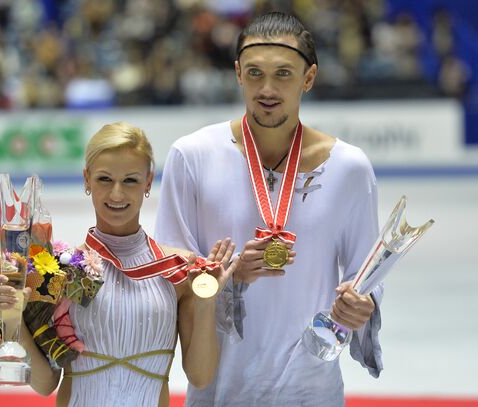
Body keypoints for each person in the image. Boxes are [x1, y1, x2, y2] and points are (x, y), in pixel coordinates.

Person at [155, 11, 383, 406]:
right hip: (219, 389)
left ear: (308, 79)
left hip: (311, 389)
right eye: (256, 73)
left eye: (283, 74)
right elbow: (168, 277)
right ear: (238, 73)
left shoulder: (349, 168)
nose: (267, 88)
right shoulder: (192, 156)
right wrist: (226, 276)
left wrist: (361, 306)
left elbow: (367, 275)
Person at [0, 121, 238, 406]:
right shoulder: (60, 271)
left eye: (130, 180)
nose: (117, 194)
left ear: (148, 181)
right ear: (86, 180)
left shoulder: (177, 269)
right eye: (105, 179)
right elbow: (46, 383)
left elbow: (201, 376)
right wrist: (13, 319)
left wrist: (206, 302)